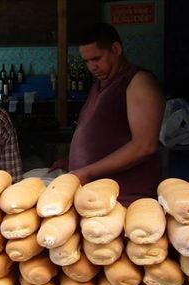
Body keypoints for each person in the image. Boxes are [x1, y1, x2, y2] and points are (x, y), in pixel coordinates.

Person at [63, 23, 164, 205]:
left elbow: (145, 145)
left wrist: (87, 171)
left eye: (96, 58)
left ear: (116, 49)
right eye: (86, 61)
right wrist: (70, 162)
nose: (91, 67)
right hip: (96, 198)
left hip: (127, 198)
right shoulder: (99, 85)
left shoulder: (138, 81)